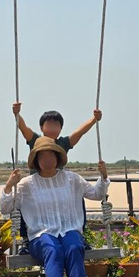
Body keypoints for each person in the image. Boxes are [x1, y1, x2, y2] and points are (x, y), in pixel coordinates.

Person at [0, 136, 110, 277]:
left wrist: (104, 176)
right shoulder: (26, 184)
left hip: (69, 230)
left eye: (51, 155)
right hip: (40, 235)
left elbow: (97, 194)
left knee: (74, 247)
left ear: (58, 158)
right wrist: (9, 185)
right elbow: (6, 208)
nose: (47, 160)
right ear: (36, 161)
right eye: (42, 156)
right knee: (52, 249)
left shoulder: (72, 179)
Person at [12, 102, 102, 254]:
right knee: (22, 206)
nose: (52, 128)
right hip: (37, 188)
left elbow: (80, 132)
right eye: (49, 125)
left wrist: (94, 120)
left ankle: (80, 235)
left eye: (56, 125)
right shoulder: (35, 140)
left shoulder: (63, 143)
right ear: (41, 128)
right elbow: (23, 128)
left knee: (77, 199)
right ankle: (26, 240)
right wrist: (17, 114)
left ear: (61, 128)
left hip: (60, 186)